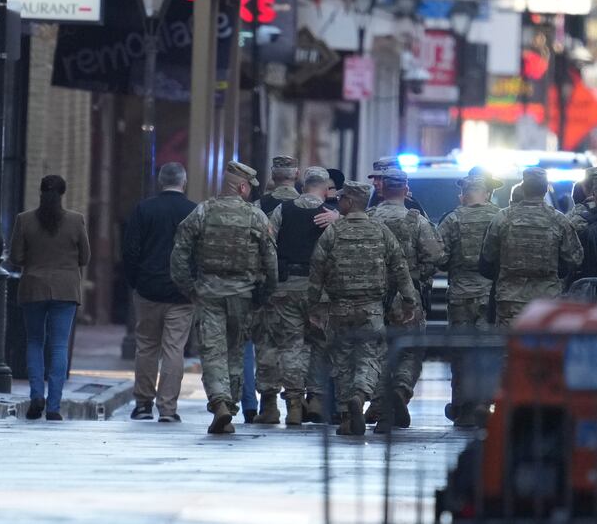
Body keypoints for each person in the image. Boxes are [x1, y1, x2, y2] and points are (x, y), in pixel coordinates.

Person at [170, 161, 279, 434]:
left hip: (209, 293)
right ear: (242, 187)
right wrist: (262, 294)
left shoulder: (203, 212)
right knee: (236, 351)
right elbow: (271, 261)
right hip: (243, 294)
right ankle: (229, 405)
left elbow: (180, 253)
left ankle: (219, 402)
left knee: (213, 351)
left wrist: (190, 288)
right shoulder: (256, 217)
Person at [307, 181, 419, 436]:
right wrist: (409, 300)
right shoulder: (380, 231)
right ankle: (361, 395)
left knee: (342, 362)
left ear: (347, 202)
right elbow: (400, 268)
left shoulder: (333, 232)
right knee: (370, 357)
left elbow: (317, 270)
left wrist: (314, 306)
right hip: (371, 308)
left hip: (339, 307)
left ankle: (347, 416)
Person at [251, 166, 334, 426]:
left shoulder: (282, 210)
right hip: (320, 290)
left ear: (303, 185)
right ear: (324, 188)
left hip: (286, 287)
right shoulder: (330, 215)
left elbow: (267, 243)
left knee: (290, 345)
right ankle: (318, 399)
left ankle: (294, 405)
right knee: (320, 343)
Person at [365, 168, 444, 433]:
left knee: (377, 351)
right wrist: (419, 276)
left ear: (383, 189)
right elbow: (435, 256)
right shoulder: (417, 220)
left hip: (374, 295)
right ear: (405, 189)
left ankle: (378, 404)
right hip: (408, 296)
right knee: (410, 350)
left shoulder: (369, 218)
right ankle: (399, 390)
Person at [9, 175, 91, 421]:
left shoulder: (24, 220)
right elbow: (85, 257)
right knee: (58, 345)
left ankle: (36, 395)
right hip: (65, 290)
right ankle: (54, 406)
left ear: (40, 191)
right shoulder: (76, 221)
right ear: (63, 193)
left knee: (34, 342)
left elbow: (15, 256)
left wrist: (34, 262)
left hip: (33, 287)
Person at [122, 162, 197, 423]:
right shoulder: (193, 211)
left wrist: (135, 282)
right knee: (174, 349)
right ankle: (167, 408)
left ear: (160, 181)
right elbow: (199, 253)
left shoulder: (144, 209)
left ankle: (143, 403)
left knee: (146, 346)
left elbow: (130, 250)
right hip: (181, 292)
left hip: (148, 289)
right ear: (183, 182)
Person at [437, 169, 503, 427]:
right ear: (486, 193)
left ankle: (462, 407)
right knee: (487, 350)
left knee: (461, 351)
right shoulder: (500, 218)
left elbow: (439, 257)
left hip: (460, 296)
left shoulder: (452, 219)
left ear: (463, 194)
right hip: (490, 295)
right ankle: (483, 404)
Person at [479, 167, 583, 327]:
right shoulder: (559, 220)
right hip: (546, 300)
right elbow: (576, 258)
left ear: (523, 187)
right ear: (545, 188)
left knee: (509, 348)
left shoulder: (502, 218)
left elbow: (488, 256)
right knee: (544, 349)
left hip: (510, 299)